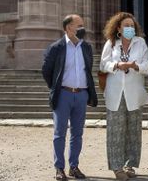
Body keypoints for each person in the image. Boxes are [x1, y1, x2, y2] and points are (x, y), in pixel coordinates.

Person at [41, 14, 98, 181]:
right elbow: (46, 70)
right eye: (78, 25)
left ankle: (74, 166)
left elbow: (87, 69)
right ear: (68, 28)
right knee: (59, 133)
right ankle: (59, 168)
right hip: (63, 94)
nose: (82, 28)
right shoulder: (56, 47)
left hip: (81, 94)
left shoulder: (86, 47)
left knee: (77, 133)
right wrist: (56, 87)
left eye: (82, 25)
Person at [100, 12, 148, 180]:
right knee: (116, 132)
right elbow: (103, 64)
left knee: (133, 131)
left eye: (132, 25)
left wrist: (135, 66)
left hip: (134, 93)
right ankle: (117, 167)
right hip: (115, 93)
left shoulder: (140, 43)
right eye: (126, 26)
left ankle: (130, 165)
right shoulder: (111, 43)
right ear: (118, 28)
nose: (129, 28)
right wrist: (117, 64)